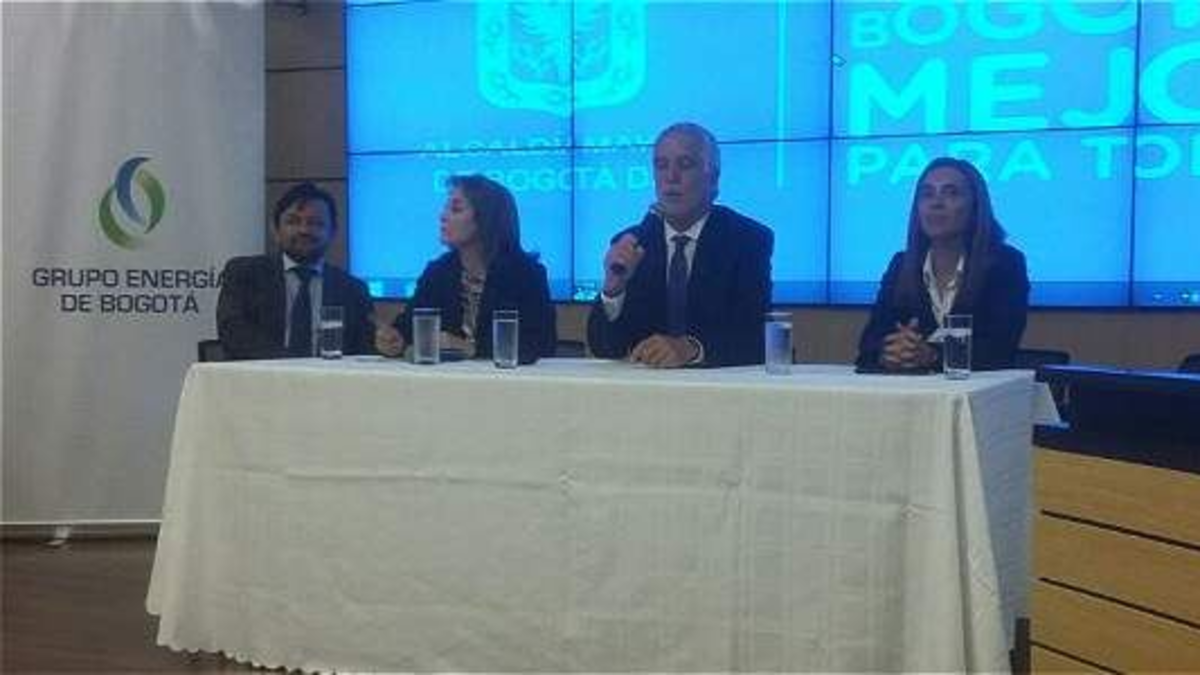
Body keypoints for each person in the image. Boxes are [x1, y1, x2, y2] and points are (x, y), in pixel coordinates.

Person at [586, 122, 773, 368]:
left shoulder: (747, 240)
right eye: (661, 165)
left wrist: (691, 349)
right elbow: (605, 348)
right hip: (647, 384)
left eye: (685, 164)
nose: (671, 177)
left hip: (718, 385)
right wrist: (613, 289)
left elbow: (755, 338)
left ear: (713, 177)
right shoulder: (632, 244)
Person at [855, 157, 1029, 372]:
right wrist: (889, 352)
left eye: (951, 193)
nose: (936, 203)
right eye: (927, 194)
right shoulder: (902, 265)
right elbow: (869, 345)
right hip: (912, 390)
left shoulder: (1005, 264)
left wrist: (932, 355)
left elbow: (999, 349)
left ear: (975, 207)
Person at [375, 174, 556, 364]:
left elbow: (541, 344)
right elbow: (410, 326)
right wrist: (395, 340)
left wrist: (471, 348)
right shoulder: (439, 272)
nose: (443, 216)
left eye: (456, 209)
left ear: (485, 219)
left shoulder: (525, 274)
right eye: (445, 208)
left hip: (506, 380)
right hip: (446, 379)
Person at [217, 182, 376, 360]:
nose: (304, 230)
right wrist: (292, 367)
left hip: (330, 377)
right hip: (260, 375)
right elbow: (233, 334)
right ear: (275, 230)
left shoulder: (353, 290)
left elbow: (365, 351)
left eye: (316, 223)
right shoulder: (245, 274)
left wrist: (386, 345)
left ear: (333, 232)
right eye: (293, 221)